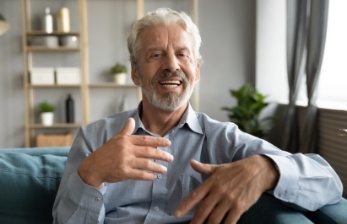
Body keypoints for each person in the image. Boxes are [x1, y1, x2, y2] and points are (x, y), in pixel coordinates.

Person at [53, 8, 343, 224]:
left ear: (197, 71)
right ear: (135, 72)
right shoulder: (94, 138)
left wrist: (268, 169)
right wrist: (91, 175)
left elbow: (329, 182)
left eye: (182, 54)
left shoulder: (225, 141)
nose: (171, 66)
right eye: (155, 55)